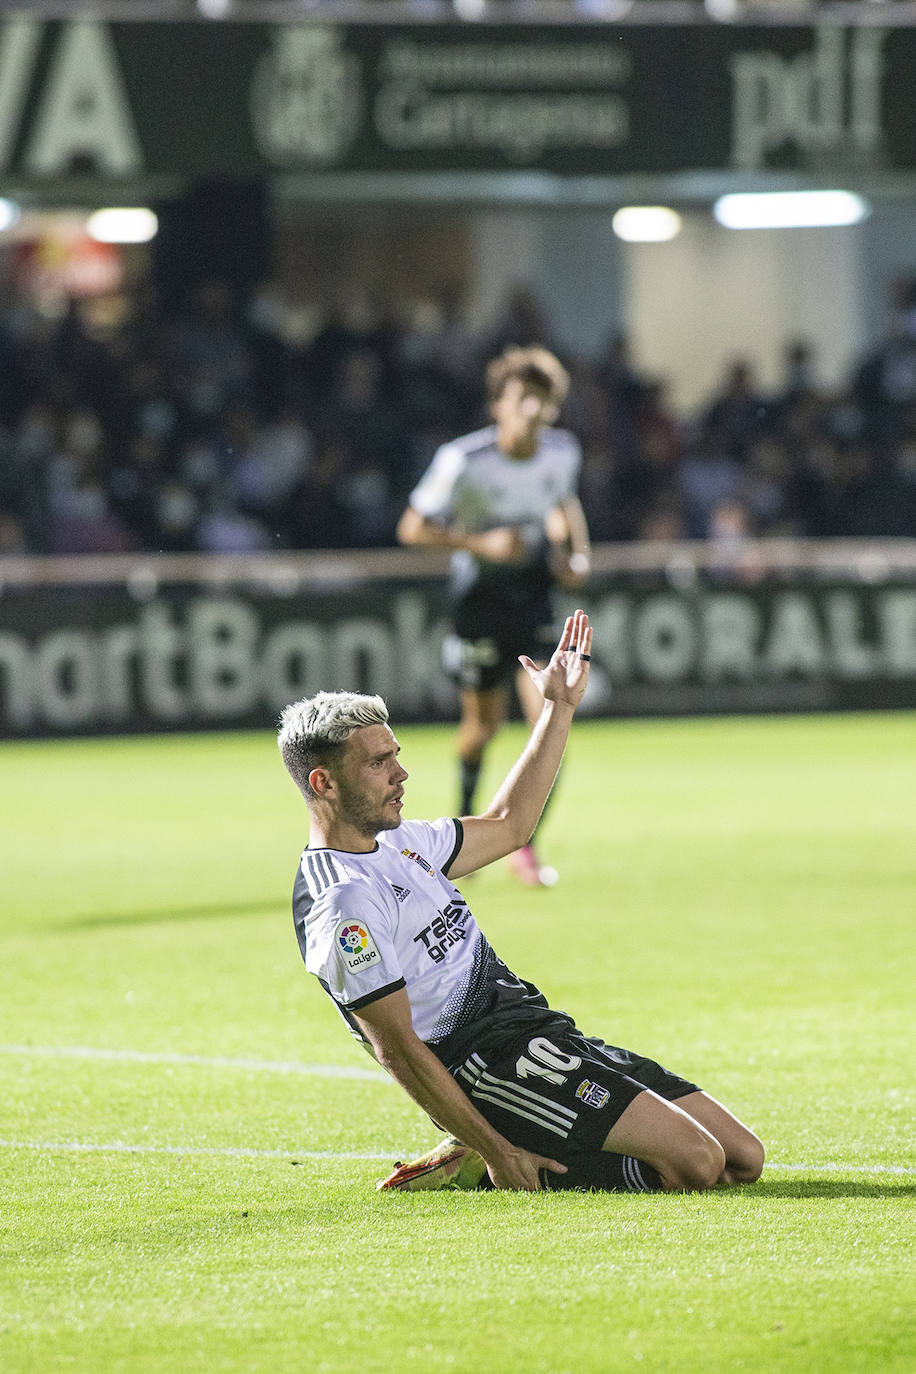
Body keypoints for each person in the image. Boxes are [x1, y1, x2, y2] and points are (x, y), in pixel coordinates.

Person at [277, 610, 765, 1195]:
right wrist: (497, 1148)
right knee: (697, 1165)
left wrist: (559, 706)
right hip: (485, 1064)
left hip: (534, 1028)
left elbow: (510, 825)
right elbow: (399, 1049)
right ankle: (481, 1166)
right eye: (378, 763)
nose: (400, 774)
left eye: (395, 755)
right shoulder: (343, 903)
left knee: (743, 1157)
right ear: (324, 784)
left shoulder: (400, 842)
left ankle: (494, 1154)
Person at [396, 345, 591, 888]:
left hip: (534, 597)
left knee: (553, 722)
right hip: (479, 599)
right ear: (499, 405)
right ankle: (462, 840)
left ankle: (524, 847)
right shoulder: (466, 459)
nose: (531, 409)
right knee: (480, 728)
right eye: (521, 397)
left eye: (541, 399)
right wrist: (480, 543)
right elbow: (412, 528)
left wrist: (577, 554)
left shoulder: (562, 452)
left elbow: (563, 501)